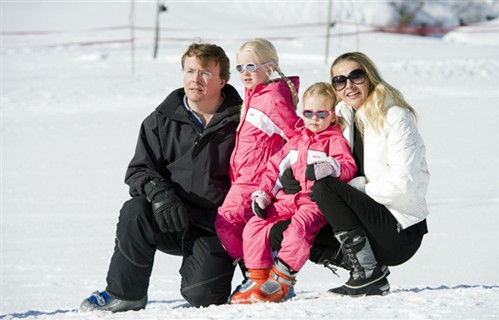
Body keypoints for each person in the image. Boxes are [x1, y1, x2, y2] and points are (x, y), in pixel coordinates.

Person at [79, 43, 243, 312]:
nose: (195, 79)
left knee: (204, 297)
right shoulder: (160, 120)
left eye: (204, 73)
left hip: (216, 225)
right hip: (170, 215)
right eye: (189, 71)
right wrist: (158, 193)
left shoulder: (242, 121)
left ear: (222, 80)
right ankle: (125, 293)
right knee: (135, 210)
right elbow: (139, 170)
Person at [272, 51, 429, 297]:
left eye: (356, 76)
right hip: (363, 222)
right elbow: (312, 143)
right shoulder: (343, 114)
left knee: (325, 187)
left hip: (399, 228)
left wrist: (356, 188)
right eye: (340, 80)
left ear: (370, 77)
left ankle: (367, 273)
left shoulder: (396, 116)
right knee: (281, 232)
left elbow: (404, 185)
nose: (349, 85)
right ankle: (367, 267)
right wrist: (294, 175)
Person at [230, 82, 357, 304]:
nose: (314, 119)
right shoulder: (297, 140)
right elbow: (274, 168)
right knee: (254, 226)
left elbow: (347, 166)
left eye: (321, 113)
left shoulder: (334, 140)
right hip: (287, 200)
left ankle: (282, 279)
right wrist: (264, 195)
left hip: (313, 202)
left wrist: (330, 167)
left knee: (298, 229)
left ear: (332, 116)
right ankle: (258, 277)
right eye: (308, 113)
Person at [215, 39, 300, 270]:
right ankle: (261, 271)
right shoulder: (255, 96)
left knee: (227, 222)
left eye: (251, 66)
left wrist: (282, 169)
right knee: (247, 226)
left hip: (257, 178)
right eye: (240, 68)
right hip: (244, 177)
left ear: (270, 67)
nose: (245, 73)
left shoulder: (272, 99)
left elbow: (298, 136)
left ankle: (260, 270)